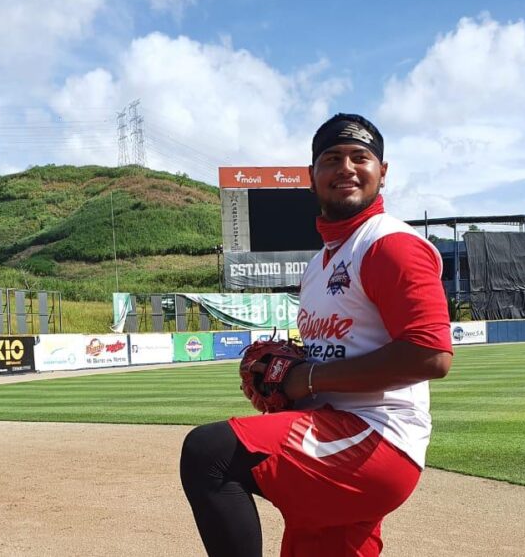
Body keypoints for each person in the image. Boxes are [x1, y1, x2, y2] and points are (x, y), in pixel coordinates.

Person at [180, 113, 453, 556]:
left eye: (360, 157)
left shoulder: (390, 244)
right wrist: (293, 379)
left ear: (382, 172)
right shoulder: (317, 267)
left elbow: (430, 355)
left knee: (209, 453)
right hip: (336, 431)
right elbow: (336, 352)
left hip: (374, 437)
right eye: (331, 158)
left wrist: (304, 378)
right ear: (311, 177)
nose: (346, 168)